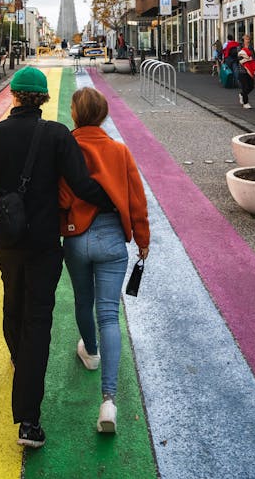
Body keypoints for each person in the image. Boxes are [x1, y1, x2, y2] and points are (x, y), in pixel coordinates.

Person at [0, 67, 114, 449]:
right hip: (44, 244)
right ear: (44, 99)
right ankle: (28, 423)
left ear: (14, 95)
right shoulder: (55, 135)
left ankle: (23, 367)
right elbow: (83, 185)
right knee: (38, 318)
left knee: (12, 303)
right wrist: (114, 200)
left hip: (7, 240)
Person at [58, 87, 150, 434]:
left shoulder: (68, 149)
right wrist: (142, 240)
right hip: (113, 238)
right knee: (109, 314)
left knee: (84, 300)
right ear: (103, 114)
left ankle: (91, 353)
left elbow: (62, 195)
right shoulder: (119, 151)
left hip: (77, 236)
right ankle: (109, 400)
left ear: (75, 114)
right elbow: (137, 200)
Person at [235, 34, 255, 109]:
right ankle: (246, 103)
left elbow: (254, 57)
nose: (248, 41)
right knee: (245, 87)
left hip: (250, 70)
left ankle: (242, 94)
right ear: (243, 40)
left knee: (251, 86)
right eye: (246, 39)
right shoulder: (239, 47)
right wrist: (248, 59)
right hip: (242, 70)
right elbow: (239, 58)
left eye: (249, 39)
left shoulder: (251, 48)